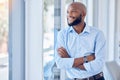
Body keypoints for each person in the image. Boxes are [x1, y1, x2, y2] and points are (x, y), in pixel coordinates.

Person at [55, 2, 106, 80]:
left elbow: (98, 64)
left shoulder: (98, 34)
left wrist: (69, 59)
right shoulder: (62, 34)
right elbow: (60, 63)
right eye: (68, 12)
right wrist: (85, 59)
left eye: (73, 11)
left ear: (83, 14)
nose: (69, 15)